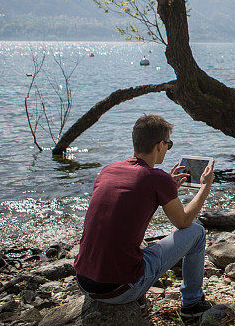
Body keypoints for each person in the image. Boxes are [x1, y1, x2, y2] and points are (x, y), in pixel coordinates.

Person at [73, 114, 216, 320]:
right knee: (197, 232)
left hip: (84, 282)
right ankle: (192, 304)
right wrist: (205, 187)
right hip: (121, 289)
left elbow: (126, 209)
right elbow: (184, 222)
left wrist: (167, 188)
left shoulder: (108, 171)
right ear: (160, 145)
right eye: (169, 144)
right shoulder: (157, 179)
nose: (167, 149)